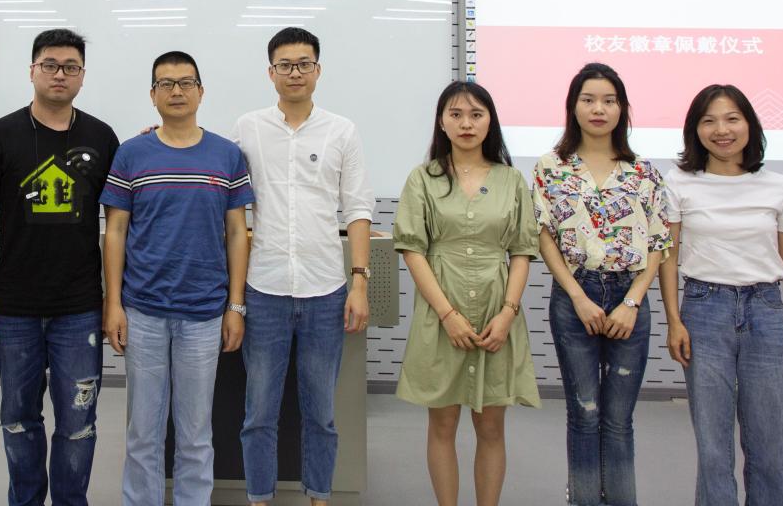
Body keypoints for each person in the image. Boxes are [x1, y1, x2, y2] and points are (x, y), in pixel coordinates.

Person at [0, 29, 119, 506]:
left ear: (83, 76)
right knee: (18, 419)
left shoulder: (102, 137)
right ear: (32, 70)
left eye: (71, 67)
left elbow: (117, 226)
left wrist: (113, 302)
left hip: (80, 309)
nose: (59, 74)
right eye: (50, 64)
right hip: (14, 309)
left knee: (78, 423)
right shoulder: (1, 135)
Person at [101, 50, 254, 506]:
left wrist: (235, 305)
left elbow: (237, 233)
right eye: (166, 84)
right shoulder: (131, 154)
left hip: (204, 314)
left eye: (186, 83)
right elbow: (116, 231)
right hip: (143, 311)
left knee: (195, 432)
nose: (177, 91)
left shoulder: (227, 155)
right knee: (143, 432)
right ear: (152, 95)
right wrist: (113, 303)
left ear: (201, 92)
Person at [231, 27, 373, 506]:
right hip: (265, 289)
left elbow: (357, 209)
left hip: (325, 291)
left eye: (304, 64)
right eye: (285, 65)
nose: (295, 72)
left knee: (321, 415)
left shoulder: (342, 131)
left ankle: (319, 497)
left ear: (318, 70)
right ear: (271, 72)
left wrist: (359, 283)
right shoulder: (248, 127)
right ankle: (259, 498)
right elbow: (213, 171)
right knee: (259, 414)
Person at [659, 84, 783, 506]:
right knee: (713, 447)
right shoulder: (679, 181)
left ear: (750, 125)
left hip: (765, 311)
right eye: (708, 121)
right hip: (704, 311)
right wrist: (674, 321)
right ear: (695, 130)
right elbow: (667, 257)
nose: (721, 130)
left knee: (770, 445)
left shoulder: (777, 185)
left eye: (732, 119)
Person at [394, 81, 540, 506]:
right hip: (441, 312)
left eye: (476, 114)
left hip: (497, 313)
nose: (466, 123)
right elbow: (413, 250)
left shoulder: (512, 180)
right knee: (442, 426)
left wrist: (508, 312)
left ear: (490, 121)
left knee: (491, 428)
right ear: (441, 122)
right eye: (455, 114)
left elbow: (522, 250)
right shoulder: (423, 179)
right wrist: (448, 315)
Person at [531, 62, 669, 506]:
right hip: (575, 296)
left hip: (630, 298)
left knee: (618, 421)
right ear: (573, 107)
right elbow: (543, 236)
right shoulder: (551, 168)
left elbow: (658, 242)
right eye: (588, 99)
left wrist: (632, 302)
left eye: (609, 101)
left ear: (622, 109)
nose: (599, 109)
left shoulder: (643, 171)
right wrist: (577, 296)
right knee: (584, 414)